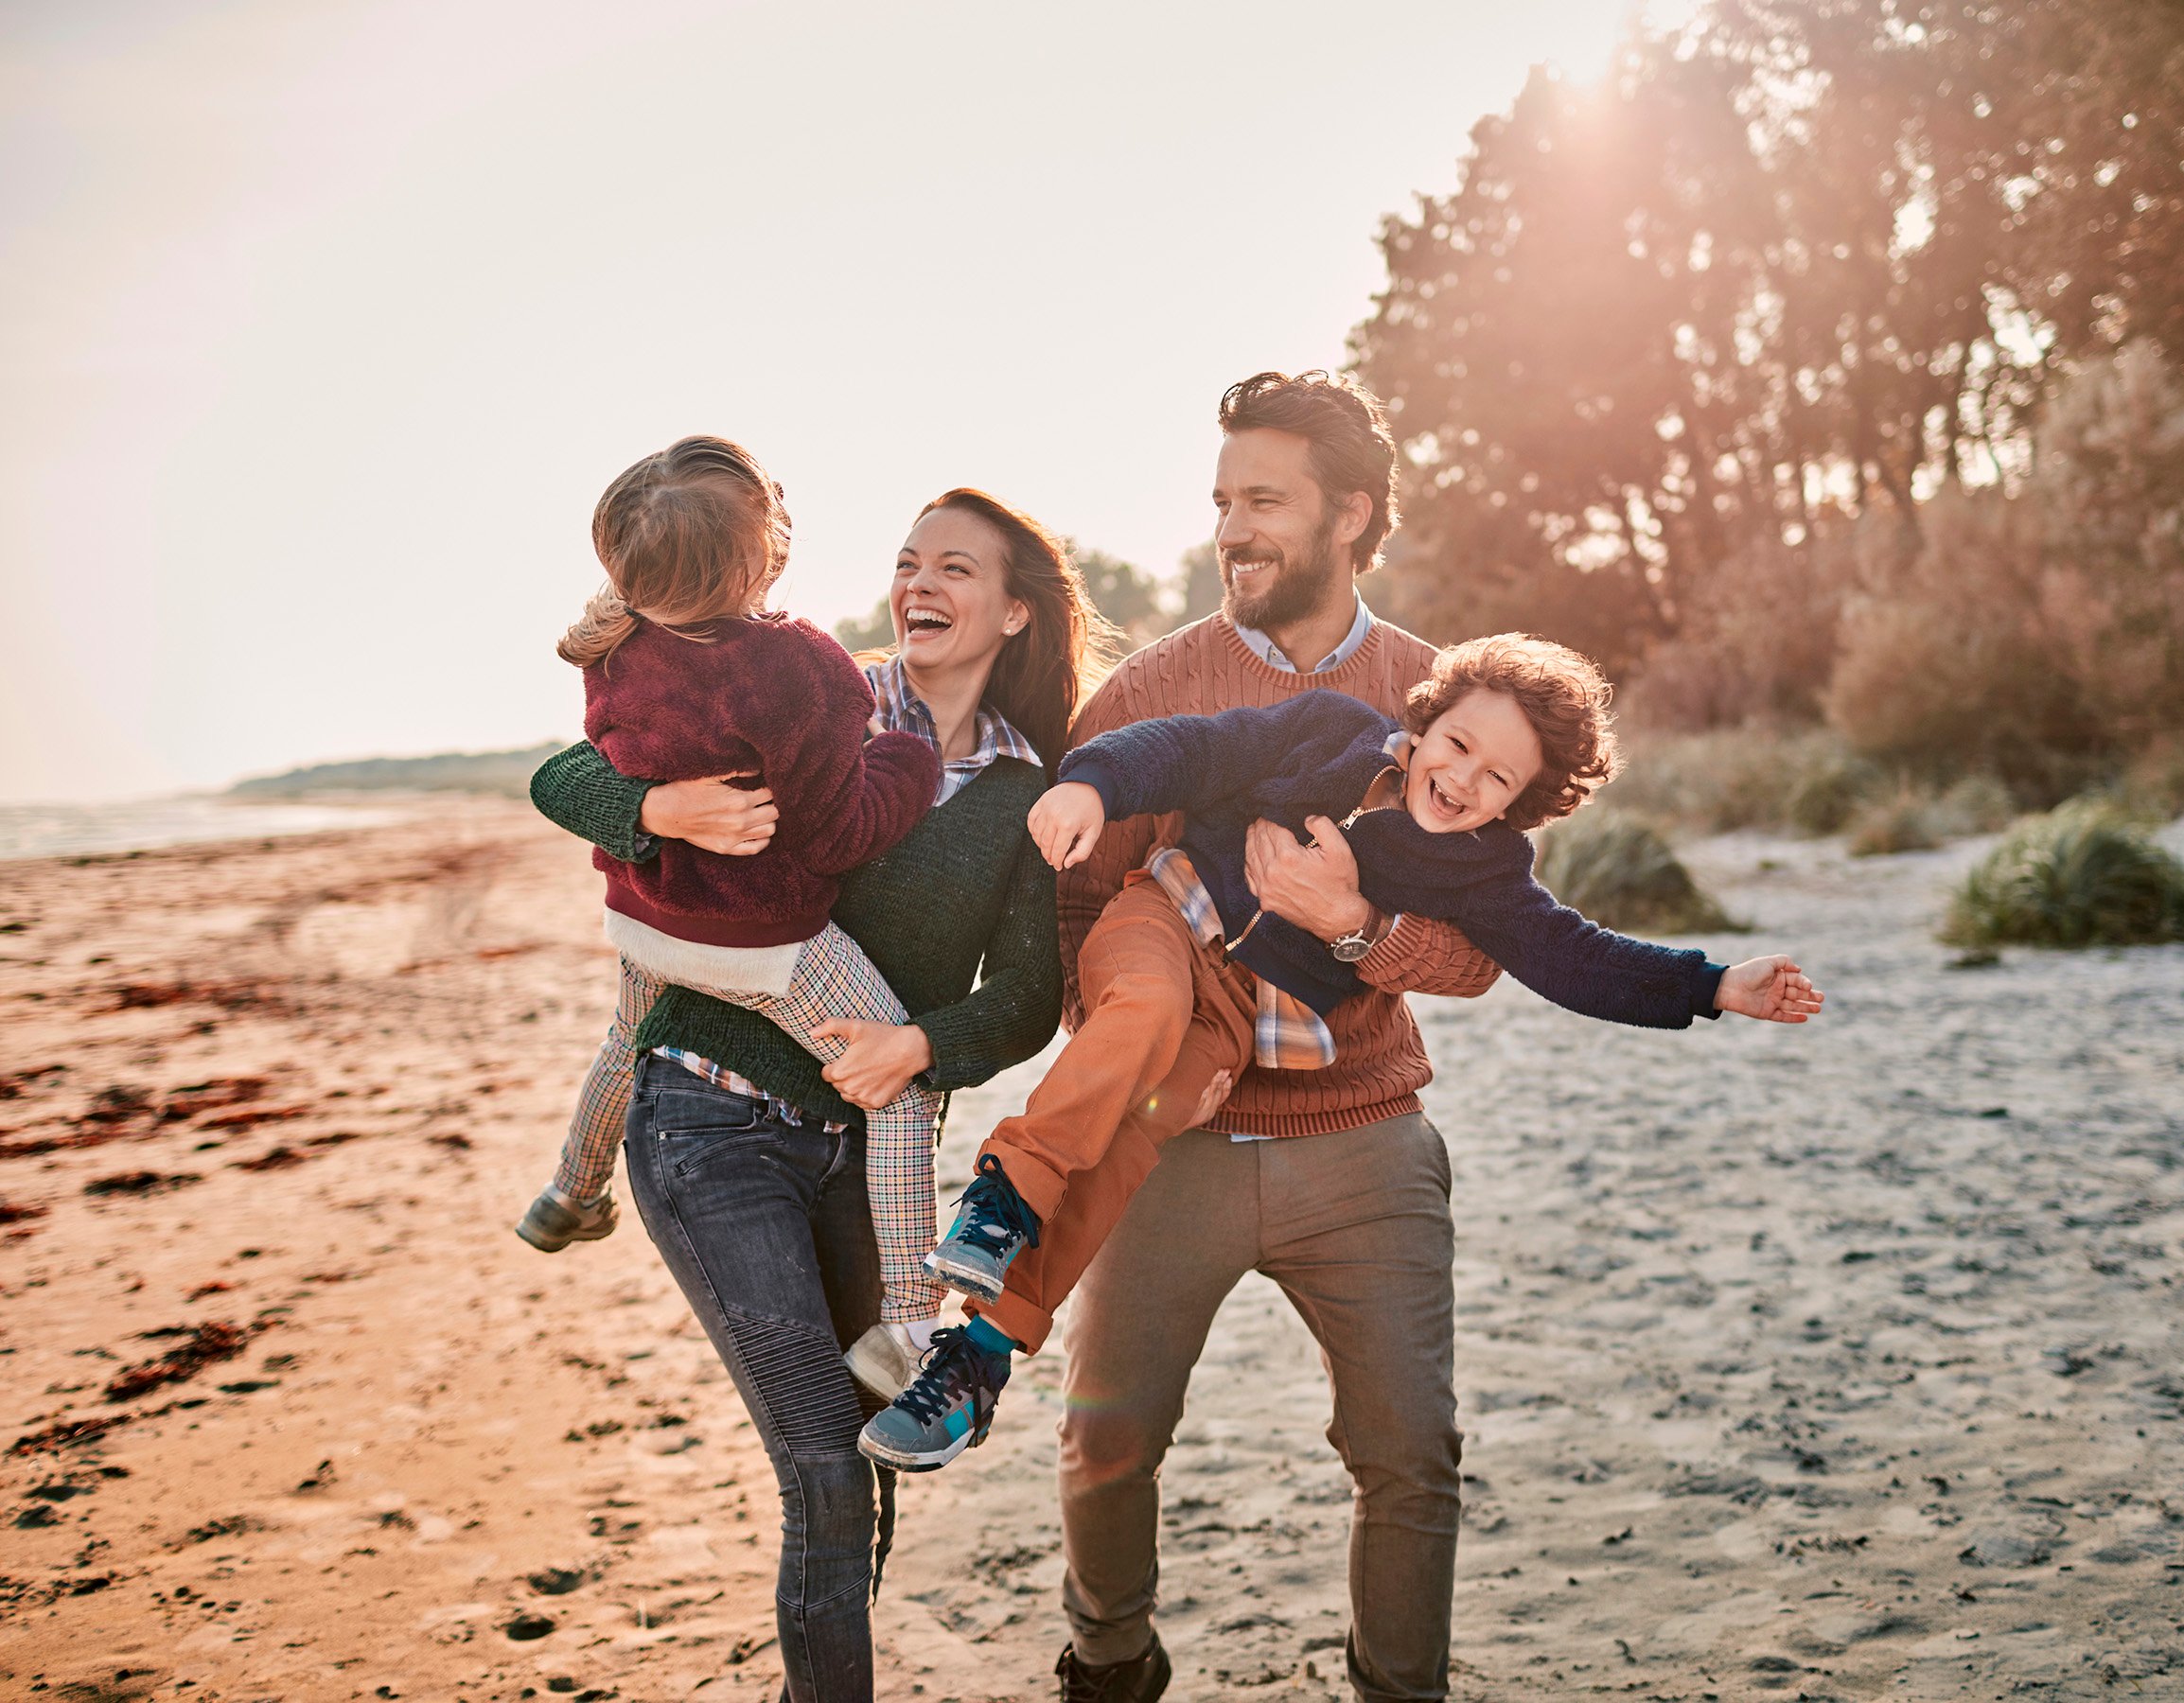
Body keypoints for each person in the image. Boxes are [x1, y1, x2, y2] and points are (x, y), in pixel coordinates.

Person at [856, 637, 1820, 1474]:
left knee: (1130, 1142)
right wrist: (1091, 781)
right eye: (1459, 745)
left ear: (1524, 805)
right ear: (1425, 723)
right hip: (1168, 917)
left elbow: (1576, 958)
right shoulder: (1329, 727)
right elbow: (1192, 749)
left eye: (1500, 781)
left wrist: (1713, 984)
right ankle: (1004, 1195)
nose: (1464, 780)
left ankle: (980, 1354)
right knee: (1143, 1011)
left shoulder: (1484, 872)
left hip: (1242, 1019)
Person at [526, 486, 1092, 1702]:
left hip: (871, 1160)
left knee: (866, 1465)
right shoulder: (798, 688)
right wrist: (650, 810)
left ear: (1016, 615)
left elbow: (1028, 1000)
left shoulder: (1026, 793)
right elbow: (570, 767)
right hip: (709, 1120)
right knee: (824, 1467)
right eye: (907, 561)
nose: (919, 584)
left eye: (955, 569)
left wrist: (918, 1048)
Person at [1018, 369, 1508, 1703]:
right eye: (1224, 500)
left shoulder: (1440, 702)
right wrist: (1140, 1048)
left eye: (1266, 502)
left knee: (1412, 1450)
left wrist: (1358, 937)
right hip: (1169, 1150)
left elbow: (1481, 950)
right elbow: (1075, 900)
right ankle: (1111, 1661)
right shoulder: (1150, 693)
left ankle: (1398, 1687)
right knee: (1106, 1442)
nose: (1234, 528)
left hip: (1367, 1147)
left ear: (1353, 514)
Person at [518, 438, 952, 1384]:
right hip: (765, 948)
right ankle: (910, 1325)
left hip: (645, 921)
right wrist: (909, 758)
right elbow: (838, 834)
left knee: (625, 1041)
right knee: (900, 1086)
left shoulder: (612, 642)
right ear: (761, 559)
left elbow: (592, 761)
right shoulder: (800, 666)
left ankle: (571, 1191)